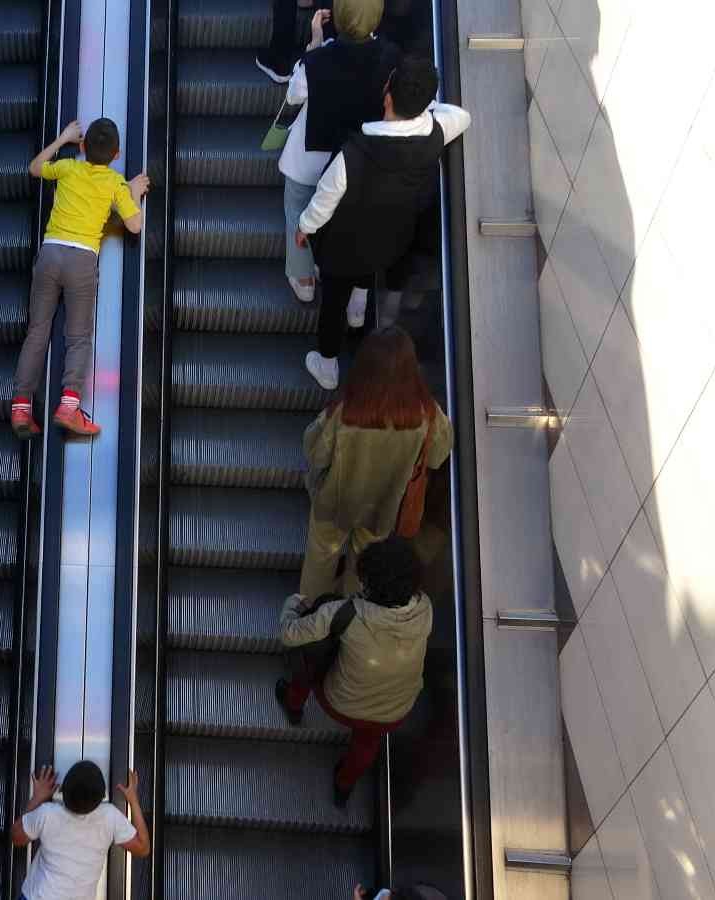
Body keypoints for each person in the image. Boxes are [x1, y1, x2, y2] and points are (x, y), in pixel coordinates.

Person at [295, 57, 470, 388]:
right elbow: (462, 116)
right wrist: (426, 106)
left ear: (387, 96)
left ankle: (327, 363)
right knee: (366, 273)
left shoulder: (353, 154)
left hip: (343, 247)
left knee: (332, 300)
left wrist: (304, 227)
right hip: (392, 241)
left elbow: (323, 202)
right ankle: (359, 311)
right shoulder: (434, 133)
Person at [11, 119, 149, 438]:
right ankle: (69, 406)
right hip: (82, 260)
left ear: (83, 147)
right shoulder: (115, 183)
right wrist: (133, 191)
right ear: (116, 155)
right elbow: (134, 225)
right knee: (78, 337)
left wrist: (62, 139)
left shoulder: (68, 168)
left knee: (37, 332)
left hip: (49, 254)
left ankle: (20, 407)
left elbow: (35, 168)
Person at [276, 536, 432, 805]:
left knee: (311, 660)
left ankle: (293, 702)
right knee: (367, 741)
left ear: (369, 582)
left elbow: (290, 635)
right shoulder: (425, 608)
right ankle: (344, 784)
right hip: (394, 712)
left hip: (341, 704)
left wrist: (293, 604)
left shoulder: (344, 613)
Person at [297, 326, 451, 595]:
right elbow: (438, 457)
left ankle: (310, 617)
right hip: (383, 509)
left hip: (334, 502)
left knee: (320, 560)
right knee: (363, 566)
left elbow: (315, 452)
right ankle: (350, 614)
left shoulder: (348, 411)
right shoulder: (426, 413)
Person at [276, 0, 400, 307]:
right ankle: (340, 278)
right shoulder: (390, 58)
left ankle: (304, 279)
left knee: (297, 211)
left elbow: (294, 94)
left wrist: (314, 44)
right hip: (359, 157)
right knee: (345, 215)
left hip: (310, 156)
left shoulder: (319, 59)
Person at [11, 762, 151, 900]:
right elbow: (143, 847)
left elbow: (16, 837)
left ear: (62, 790)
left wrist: (37, 798)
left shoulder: (47, 814)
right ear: (102, 797)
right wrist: (133, 799)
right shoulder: (109, 817)